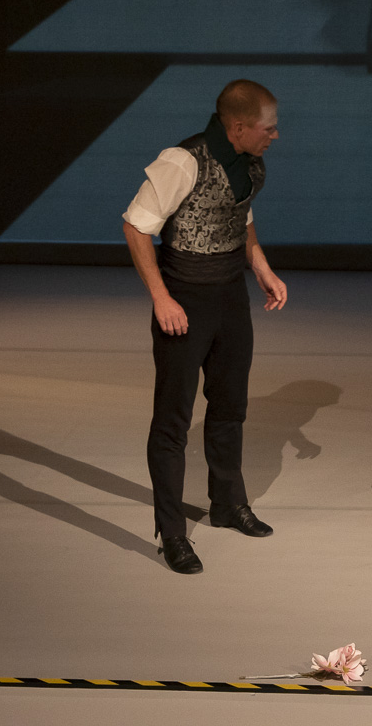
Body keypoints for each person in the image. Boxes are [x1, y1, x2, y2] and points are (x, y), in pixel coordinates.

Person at [122, 79, 287, 574]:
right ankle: (172, 532)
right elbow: (136, 226)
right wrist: (161, 298)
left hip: (230, 295)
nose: (275, 136)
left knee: (230, 406)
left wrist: (261, 266)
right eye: (268, 128)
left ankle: (228, 503)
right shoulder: (182, 162)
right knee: (173, 420)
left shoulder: (249, 161)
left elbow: (239, 211)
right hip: (185, 299)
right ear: (238, 127)